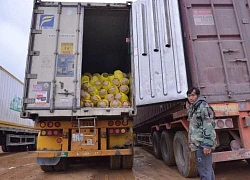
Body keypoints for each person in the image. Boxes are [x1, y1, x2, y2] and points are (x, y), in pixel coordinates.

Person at [186, 87, 216, 180]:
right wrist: (188, 110)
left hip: (202, 144)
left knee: (204, 170)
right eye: (189, 95)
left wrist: (207, 144)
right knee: (207, 170)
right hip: (198, 143)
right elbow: (195, 122)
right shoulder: (195, 107)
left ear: (198, 95)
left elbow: (208, 125)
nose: (190, 98)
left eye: (193, 95)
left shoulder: (203, 106)